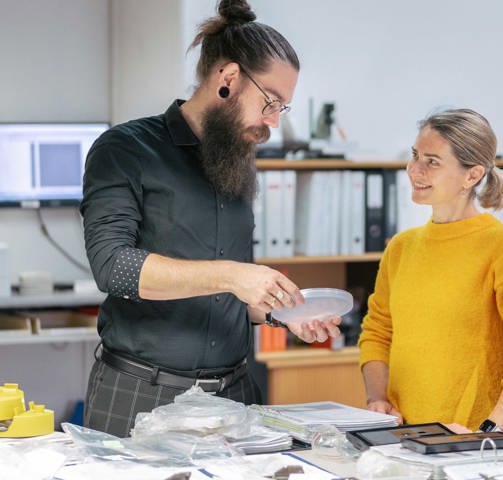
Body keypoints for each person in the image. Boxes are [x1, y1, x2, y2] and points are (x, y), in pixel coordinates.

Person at [80, 0, 340, 438]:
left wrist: (279, 312)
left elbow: (228, 294)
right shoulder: (125, 149)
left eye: (282, 109)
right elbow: (112, 266)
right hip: (140, 395)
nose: (274, 122)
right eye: (271, 102)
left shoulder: (236, 158)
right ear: (229, 78)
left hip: (233, 397)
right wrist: (233, 275)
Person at [358, 109, 503, 434]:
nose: (415, 170)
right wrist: (377, 399)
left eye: (432, 161)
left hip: (472, 442)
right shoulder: (401, 247)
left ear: (472, 176)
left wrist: (489, 432)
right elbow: (378, 331)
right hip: (401, 437)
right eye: (415, 155)